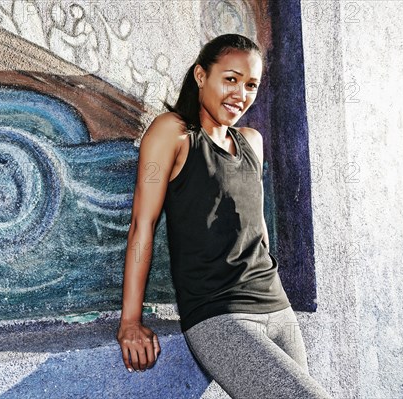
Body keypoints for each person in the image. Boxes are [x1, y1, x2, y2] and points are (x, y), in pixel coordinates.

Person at [116, 34, 333, 398]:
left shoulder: (252, 142)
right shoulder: (172, 133)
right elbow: (142, 225)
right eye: (230, 79)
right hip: (220, 316)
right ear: (201, 76)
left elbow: (257, 226)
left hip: (278, 309)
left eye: (251, 85)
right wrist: (130, 321)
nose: (241, 94)